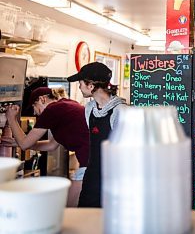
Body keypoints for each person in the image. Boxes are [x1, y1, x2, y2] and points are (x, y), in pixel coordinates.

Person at [5, 87, 89, 207]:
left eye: (34, 106)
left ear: (42, 99)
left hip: (90, 163)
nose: (35, 112)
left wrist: (11, 118)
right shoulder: (66, 104)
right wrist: (18, 141)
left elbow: (25, 145)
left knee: (71, 209)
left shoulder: (52, 110)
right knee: (73, 207)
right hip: (93, 161)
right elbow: (51, 145)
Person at [67, 61, 127, 208]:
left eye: (80, 83)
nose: (79, 87)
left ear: (91, 86)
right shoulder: (89, 108)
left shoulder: (120, 111)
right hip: (92, 176)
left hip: (113, 179)